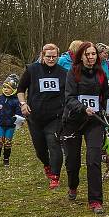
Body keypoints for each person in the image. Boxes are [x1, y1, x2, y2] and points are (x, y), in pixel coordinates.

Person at [61, 42, 109, 213]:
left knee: (94, 159)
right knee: (72, 161)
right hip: (74, 120)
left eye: (93, 54)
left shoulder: (101, 74)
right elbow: (69, 97)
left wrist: (107, 110)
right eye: (87, 54)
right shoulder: (72, 73)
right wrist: (83, 108)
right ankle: (73, 185)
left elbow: (105, 97)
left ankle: (96, 201)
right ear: (81, 56)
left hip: (94, 122)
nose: (91, 57)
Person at [17, 44, 68, 188]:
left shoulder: (64, 72)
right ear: (42, 56)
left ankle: (55, 175)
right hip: (35, 117)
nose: (51, 59)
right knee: (40, 149)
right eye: (48, 56)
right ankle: (47, 164)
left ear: (58, 56)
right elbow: (20, 89)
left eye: (54, 56)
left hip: (55, 117)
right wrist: (23, 104)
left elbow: (69, 93)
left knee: (54, 143)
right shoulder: (32, 69)